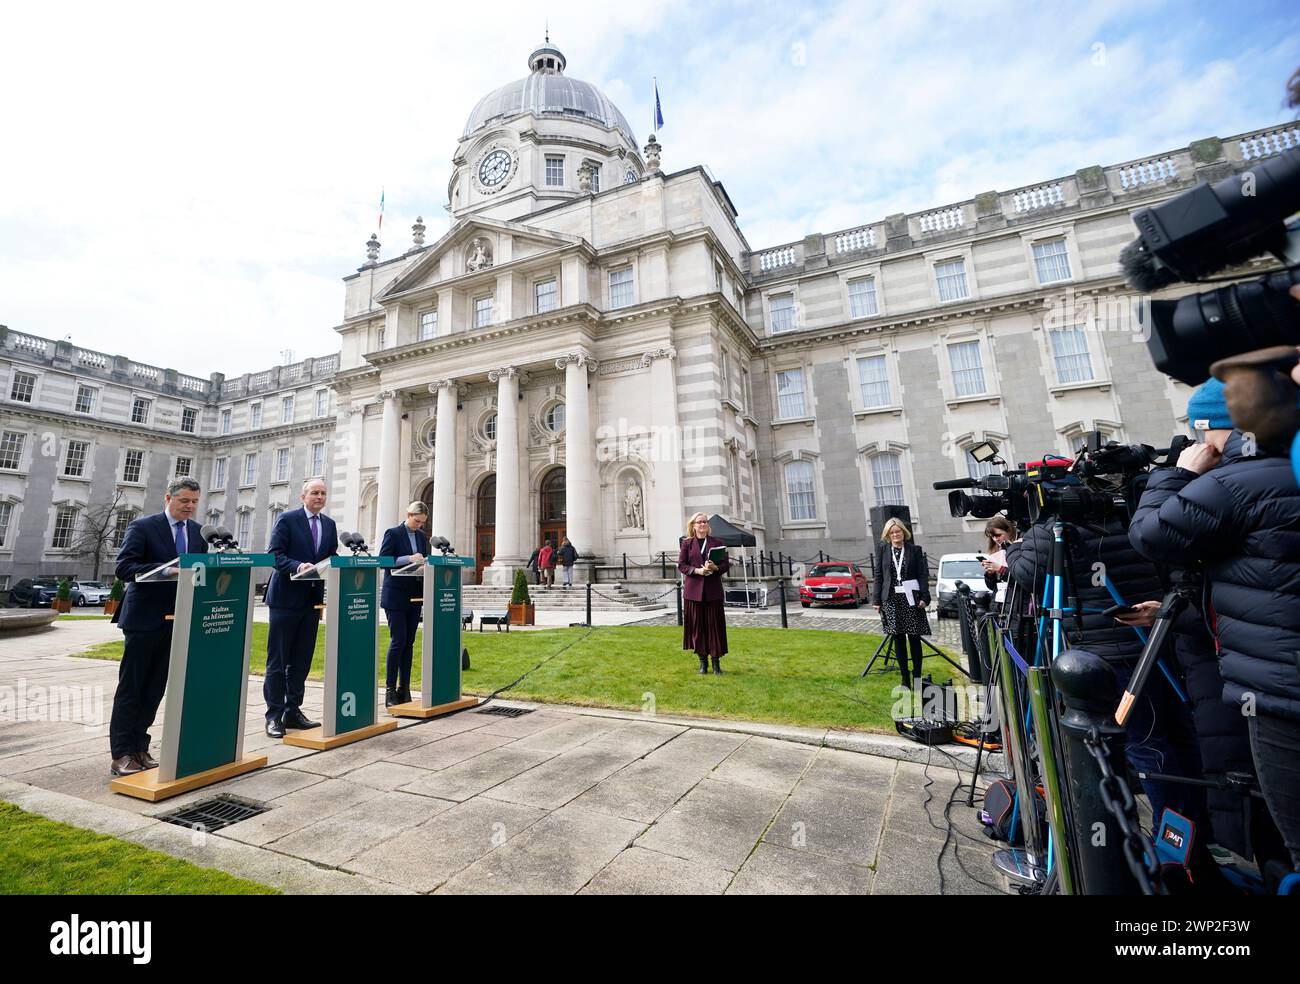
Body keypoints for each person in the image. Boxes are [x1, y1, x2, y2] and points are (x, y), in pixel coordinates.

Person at [1128, 377, 1300, 872]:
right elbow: (1254, 579)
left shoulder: (1238, 480)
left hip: (1269, 691)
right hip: (1257, 667)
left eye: (1203, 433)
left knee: (1275, 825)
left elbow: (1151, 534)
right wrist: (1176, 608)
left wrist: (1174, 476)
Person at [1006, 465, 1208, 848]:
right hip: (1154, 642)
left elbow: (1027, 573)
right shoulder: (1131, 515)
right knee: (1177, 740)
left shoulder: (1056, 529)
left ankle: (1174, 845)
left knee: (1146, 746)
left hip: (1104, 656)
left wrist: (1019, 541)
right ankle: (1194, 830)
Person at [107, 478, 204, 776]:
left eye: (194, 502)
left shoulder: (199, 533)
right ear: (168, 498)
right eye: (184, 501)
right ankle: (121, 753)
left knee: (155, 688)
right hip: (144, 619)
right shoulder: (143, 527)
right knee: (133, 687)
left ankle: (141, 747)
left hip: (178, 619)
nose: (189, 507)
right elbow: (124, 567)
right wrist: (165, 571)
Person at [264, 478, 338, 738]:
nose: (319, 497)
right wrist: (298, 566)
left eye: (323, 493)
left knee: (301, 661)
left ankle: (293, 711)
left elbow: (331, 557)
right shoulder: (287, 519)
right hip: (285, 599)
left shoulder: (329, 524)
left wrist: (346, 564)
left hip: (312, 600)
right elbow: (275, 555)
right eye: (315, 493)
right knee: (278, 660)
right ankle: (274, 715)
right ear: (303, 496)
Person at [379, 502, 429, 707]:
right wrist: (408, 558)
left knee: (409, 643)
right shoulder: (393, 533)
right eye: (417, 521)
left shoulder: (422, 537)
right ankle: (390, 690)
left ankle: (404, 688)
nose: (419, 525)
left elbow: (424, 559)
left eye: (423, 522)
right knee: (398, 641)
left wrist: (425, 564)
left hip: (415, 595)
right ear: (408, 515)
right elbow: (383, 560)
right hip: (395, 596)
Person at [871, 518, 931, 690]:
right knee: (898, 638)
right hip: (891, 599)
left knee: (914, 638)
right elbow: (879, 576)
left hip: (911, 597)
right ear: (888, 535)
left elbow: (922, 575)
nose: (896, 534)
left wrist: (925, 597)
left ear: (904, 532)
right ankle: (905, 677)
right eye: (892, 532)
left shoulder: (914, 550)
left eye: (898, 531)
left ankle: (917, 676)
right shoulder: (883, 550)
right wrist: (876, 600)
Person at [678, 512, 730, 674]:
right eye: (699, 522)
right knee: (698, 628)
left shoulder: (717, 543)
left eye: (705, 522)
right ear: (693, 525)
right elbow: (681, 565)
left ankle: (716, 663)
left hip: (713, 591)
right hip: (693, 593)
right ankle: (703, 663)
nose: (702, 524)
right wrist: (697, 571)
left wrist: (715, 568)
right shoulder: (687, 544)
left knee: (714, 626)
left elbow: (726, 565)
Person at [980, 516, 1016, 595]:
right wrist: (990, 573)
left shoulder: (1019, 548)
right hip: (999, 600)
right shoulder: (994, 552)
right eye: (993, 536)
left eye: (998, 535)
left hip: (1015, 599)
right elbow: (992, 587)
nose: (996, 539)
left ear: (1009, 531)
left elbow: (1023, 578)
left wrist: (1001, 569)